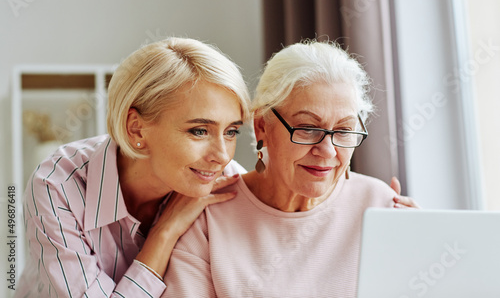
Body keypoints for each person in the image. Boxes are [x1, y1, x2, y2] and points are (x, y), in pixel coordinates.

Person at [163, 40, 419, 297]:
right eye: (308, 128)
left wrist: (426, 251)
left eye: (343, 131)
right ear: (262, 126)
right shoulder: (209, 219)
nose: (328, 151)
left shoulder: (380, 206)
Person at [15, 37, 251, 297]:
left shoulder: (221, 181)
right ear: (136, 128)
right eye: (199, 130)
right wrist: (164, 232)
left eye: (231, 132)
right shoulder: (57, 186)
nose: (221, 156)